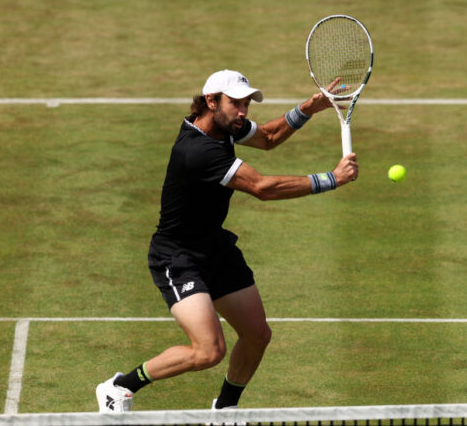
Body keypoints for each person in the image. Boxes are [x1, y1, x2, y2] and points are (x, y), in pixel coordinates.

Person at [96, 69, 358, 413]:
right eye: (236, 103)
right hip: (177, 257)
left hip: (214, 249)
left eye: (247, 103)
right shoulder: (198, 150)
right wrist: (331, 179)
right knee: (208, 352)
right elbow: (262, 188)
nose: (243, 112)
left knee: (257, 335)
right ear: (210, 101)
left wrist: (309, 107)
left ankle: (225, 410)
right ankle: (120, 387)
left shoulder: (223, 127)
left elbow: (267, 137)